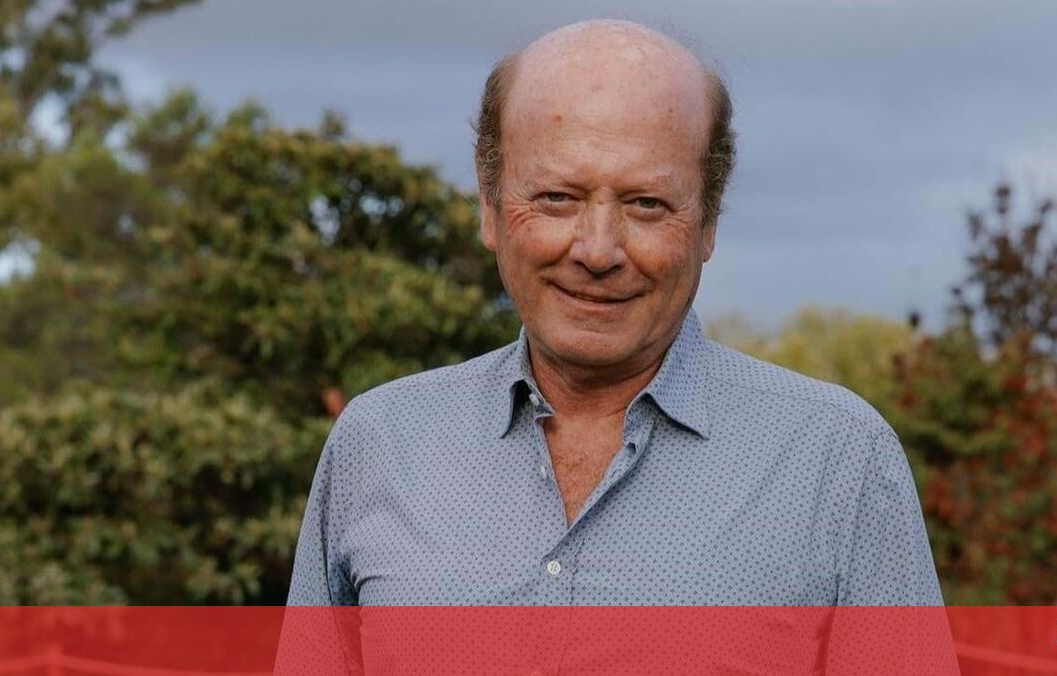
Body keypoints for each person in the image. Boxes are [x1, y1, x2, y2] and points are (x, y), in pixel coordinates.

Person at [282, 17, 947, 672]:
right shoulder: (378, 444)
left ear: (708, 222)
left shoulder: (838, 462)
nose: (597, 251)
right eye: (557, 197)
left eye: (646, 203)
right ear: (489, 206)